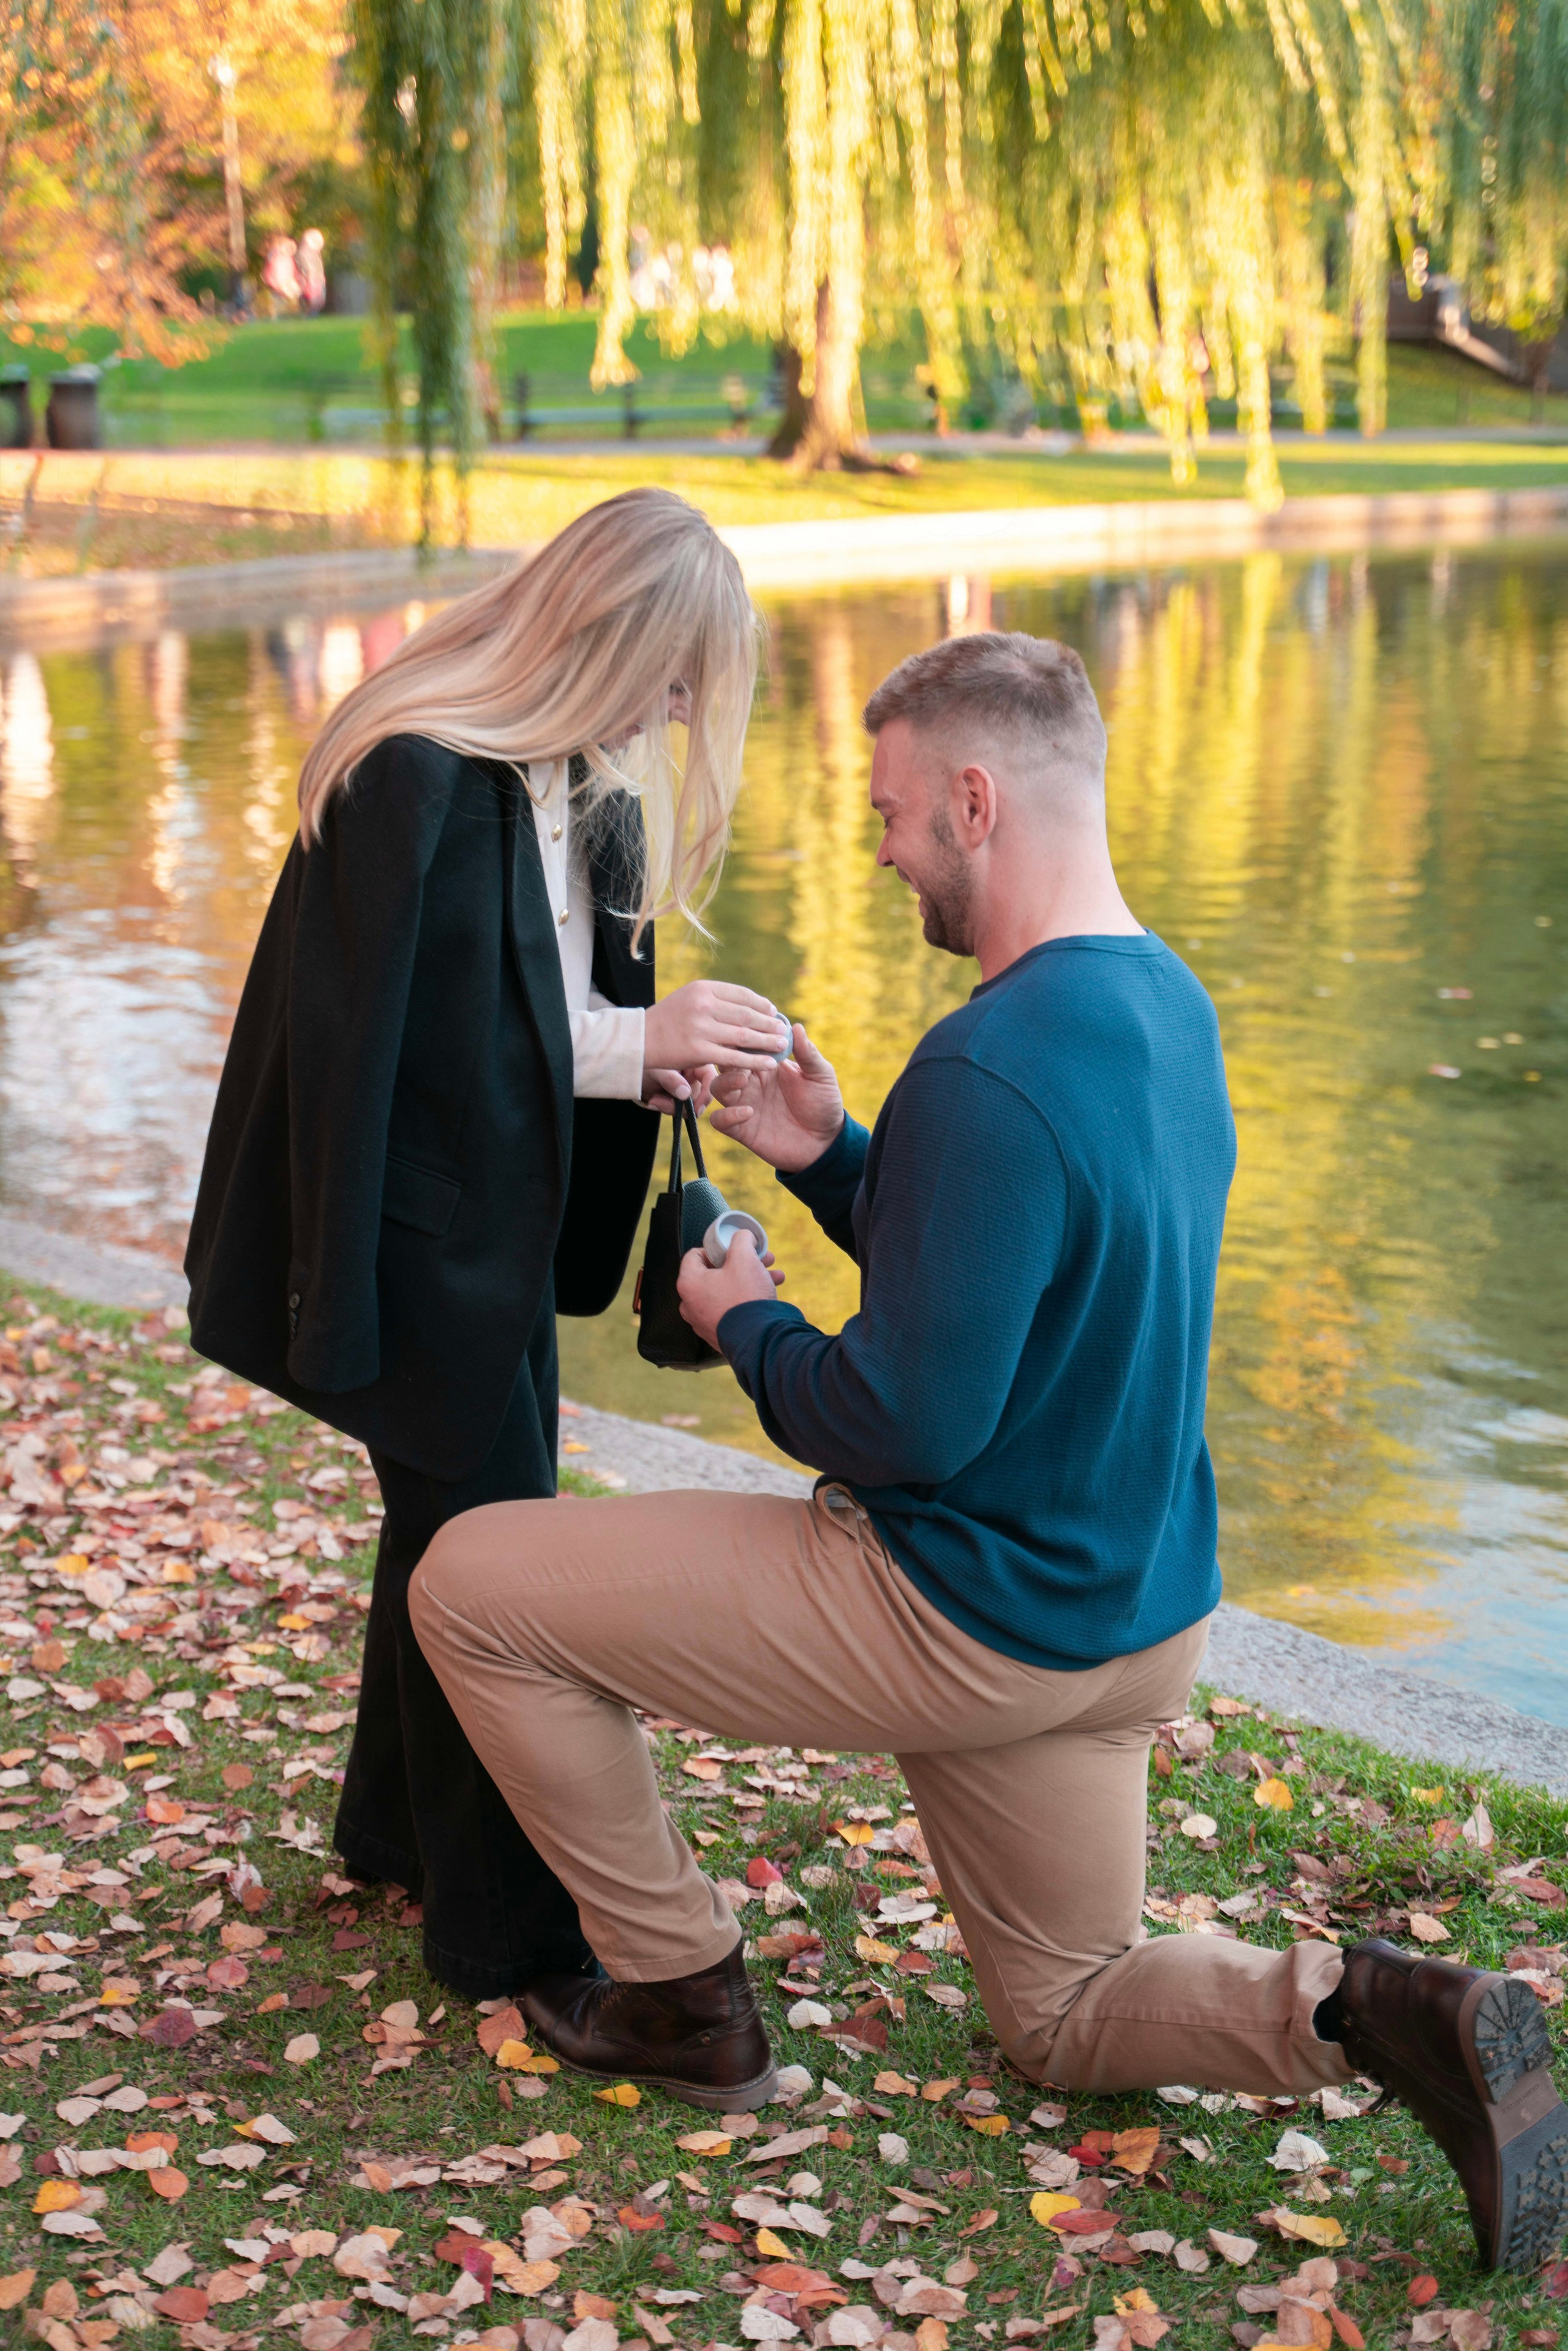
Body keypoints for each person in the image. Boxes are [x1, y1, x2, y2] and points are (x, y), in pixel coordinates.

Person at [409, 627, 1568, 2272]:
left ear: (974, 795)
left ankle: (679, 1989)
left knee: (472, 1580)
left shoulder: (986, 1058)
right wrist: (827, 1152)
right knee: (1064, 2008)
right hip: (1127, 1619)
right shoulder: (1163, 1005)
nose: (879, 847)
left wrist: (743, 1314)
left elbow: (901, 1417)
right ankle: (1375, 2006)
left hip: (956, 1609)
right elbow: (1008, 1268)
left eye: (890, 809)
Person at [186, 489, 790, 1998]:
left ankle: (390, 1832)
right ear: (613, 637)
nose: (676, 711)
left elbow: (531, 1012)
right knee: (501, 1569)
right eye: (672, 676)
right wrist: (626, 1037)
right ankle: (505, 1936)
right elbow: (403, 1048)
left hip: (501, 1234)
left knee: (453, 1544)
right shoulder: (416, 771)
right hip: (409, 1246)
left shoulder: (576, 783)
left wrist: (640, 1055)